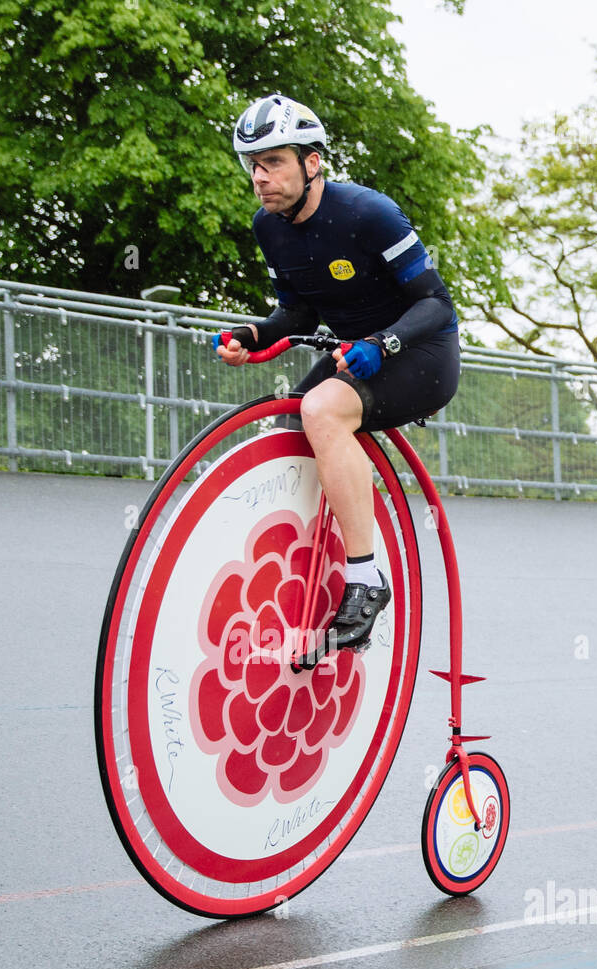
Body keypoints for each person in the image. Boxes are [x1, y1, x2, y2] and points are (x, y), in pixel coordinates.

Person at [214, 93, 460, 664]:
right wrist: (250, 336)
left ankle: (366, 579)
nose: (260, 177)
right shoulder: (268, 227)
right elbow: (295, 315)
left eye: (273, 161)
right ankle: (304, 562)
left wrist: (384, 343)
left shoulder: (370, 213)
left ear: (312, 161)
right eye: (252, 164)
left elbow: (437, 306)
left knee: (321, 411)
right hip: (354, 354)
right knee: (289, 423)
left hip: (420, 354)